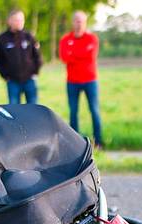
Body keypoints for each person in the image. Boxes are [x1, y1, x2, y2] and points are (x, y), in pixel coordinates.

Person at [59, 10, 104, 149]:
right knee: (73, 112)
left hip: (90, 81)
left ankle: (98, 142)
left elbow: (90, 56)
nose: (79, 24)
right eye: (77, 21)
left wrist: (73, 54)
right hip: (72, 82)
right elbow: (64, 57)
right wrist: (81, 53)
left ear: (85, 23)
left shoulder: (92, 39)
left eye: (82, 21)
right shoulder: (65, 39)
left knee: (94, 111)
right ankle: (75, 144)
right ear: (73, 22)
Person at [0, 9, 42, 105]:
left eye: (21, 20)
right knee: (14, 109)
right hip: (12, 81)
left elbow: (37, 56)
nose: (20, 22)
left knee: (33, 108)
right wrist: (5, 75)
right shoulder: (2, 38)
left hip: (29, 80)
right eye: (16, 20)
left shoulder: (29, 37)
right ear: (9, 21)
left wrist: (36, 72)